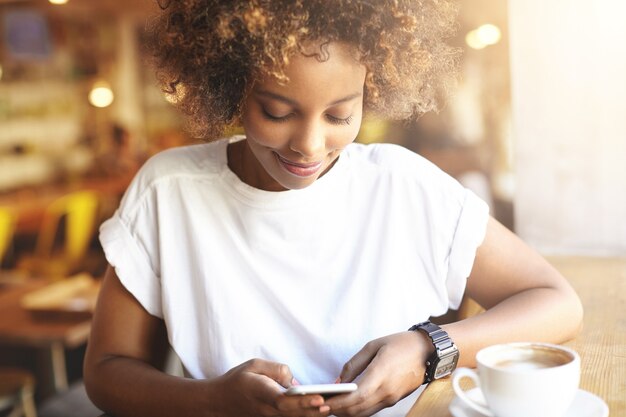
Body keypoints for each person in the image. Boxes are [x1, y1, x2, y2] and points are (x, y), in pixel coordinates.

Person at [83, 1, 583, 417]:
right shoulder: (168, 193)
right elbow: (107, 370)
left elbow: (556, 302)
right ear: (231, 85)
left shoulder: (403, 187)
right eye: (277, 112)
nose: (310, 145)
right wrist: (211, 400)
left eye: (341, 114)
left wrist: (427, 350)